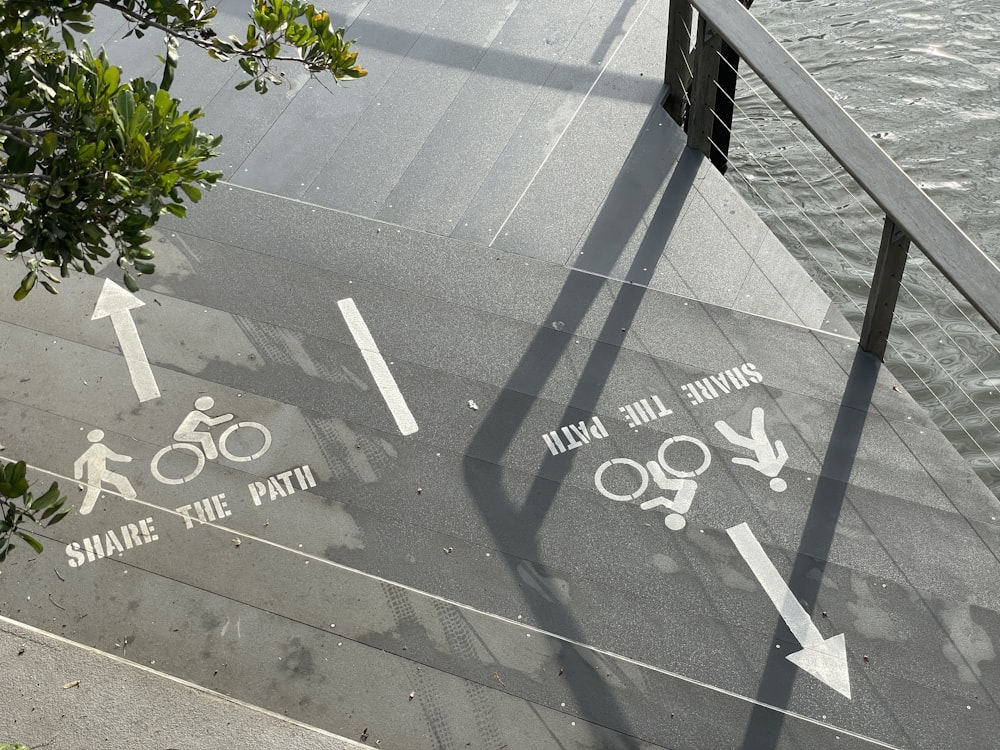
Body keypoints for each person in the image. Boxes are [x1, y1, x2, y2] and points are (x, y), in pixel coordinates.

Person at [74, 429, 137, 514]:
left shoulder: (99, 447)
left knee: (118, 480)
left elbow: (79, 462)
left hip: (101, 472)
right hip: (95, 473)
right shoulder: (98, 447)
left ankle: (129, 494)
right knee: (95, 489)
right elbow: (79, 462)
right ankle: (85, 508)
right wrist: (126, 459)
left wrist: (78, 476)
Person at [172, 395, 233, 460]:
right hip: (182, 435)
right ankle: (211, 454)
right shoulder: (196, 414)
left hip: (182, 434)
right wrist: (227, 417)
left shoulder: (195, 413)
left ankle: (211, 454)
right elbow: (211, 422)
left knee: (205, 436)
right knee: (205, 436)